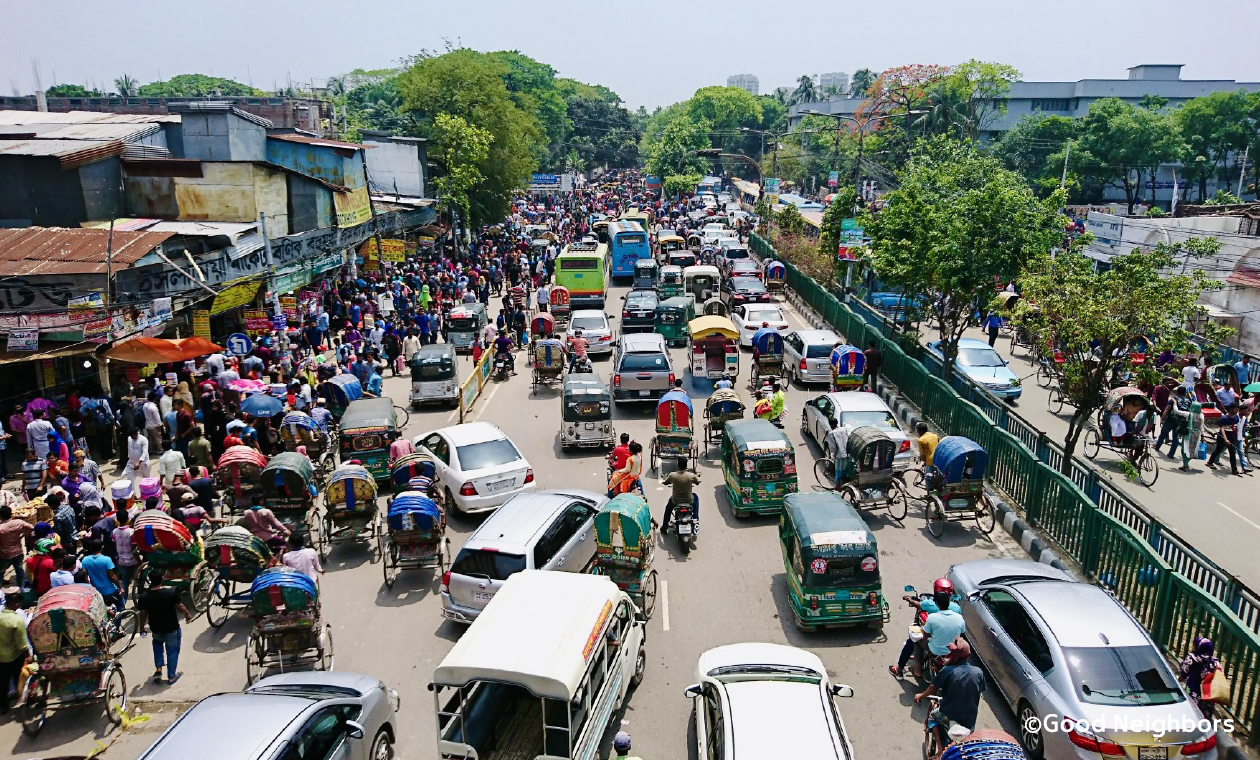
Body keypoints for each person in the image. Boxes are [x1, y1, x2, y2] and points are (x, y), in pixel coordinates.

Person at [914, 638, 986, 749]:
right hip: (969, 720)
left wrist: (920, 695)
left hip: (949, 714)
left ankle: (940, 750)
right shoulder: (978, 672)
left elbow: (932, 688)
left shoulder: (947, 670)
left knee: (932, 717)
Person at [890, 578, 963, 678]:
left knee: (915, 639)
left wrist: (908, 599)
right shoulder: (957, 611)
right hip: (952, 649)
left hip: (937, 649)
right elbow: (961, 633)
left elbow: (925, 635)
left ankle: (907, 670)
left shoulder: (932, 613)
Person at [135, 567, 192, 685]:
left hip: (155, 628)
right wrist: (187, 614)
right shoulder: (170, 593)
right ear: (162, 578)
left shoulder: (144, 597)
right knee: (172, 651)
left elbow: (143, 614)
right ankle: (171, 676)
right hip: (171, 628)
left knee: (157, 646)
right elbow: (180, 606)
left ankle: (159, 668)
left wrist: (142, 628)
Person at [1178, 636, 1222, 719]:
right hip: (1208, 697)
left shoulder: (1191, 658)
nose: (1192, 647)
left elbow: (1183, 673)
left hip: (1193, 694)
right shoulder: (1215, 663)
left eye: (1193, 645)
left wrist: (1177, 680)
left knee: (1190, 716)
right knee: (1204, 719)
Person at [0, 589, 28, 715]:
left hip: (1, 657)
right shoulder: (17, 620)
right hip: (15, 656)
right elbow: (22, 644)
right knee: (20, 678)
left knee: (3, 682)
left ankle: (3, 706)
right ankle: (23, 699)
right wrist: (29, 657)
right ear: (16, 604)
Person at [81, 539, 122, 611]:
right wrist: (120, 587)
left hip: (95, 591)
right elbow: (112, 576)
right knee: (120, 606)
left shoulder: (85, 560)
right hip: (109, 590)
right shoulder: (107, 560)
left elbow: (84, 576)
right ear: (102, 547)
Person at [662, 457, 700, 532]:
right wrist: (697, 481)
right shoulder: (691, 475)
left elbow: (666, 482)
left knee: (668, 510)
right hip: (689, 501)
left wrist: (665, 482)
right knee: (696, 498)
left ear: (678, 465)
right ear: (686, 465)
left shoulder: (672, 475)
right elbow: (697, 482)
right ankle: (696, 520)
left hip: (675, 501)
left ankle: (664, 527)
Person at [0, 505, 32, 589]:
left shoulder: (1, 528)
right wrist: (22, 535)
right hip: (18, 551)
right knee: (19, 569)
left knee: (1, 571)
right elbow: (31, 527)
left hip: (5, 554)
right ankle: (21, 587)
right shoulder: (18, 522)